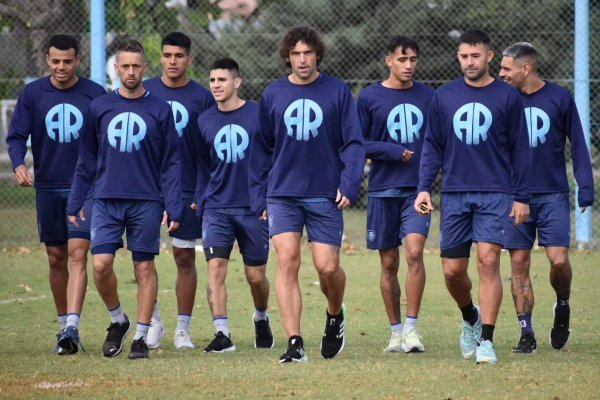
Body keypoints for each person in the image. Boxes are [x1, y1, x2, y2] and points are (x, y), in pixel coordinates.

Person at [248, 26, 365, 363]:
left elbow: (354, 143)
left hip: (325, 194)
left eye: (308, 53)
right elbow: (261, 150)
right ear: (288, 55)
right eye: (296, 53)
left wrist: (349, 182)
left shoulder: (338, 91)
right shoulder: (273, 94)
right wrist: (259, 197)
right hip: (283, 193)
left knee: (327, 268)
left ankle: (334, 314)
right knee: (286, 260)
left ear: (317, 55)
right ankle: (295, 342)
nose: (302, 59)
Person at [415, 29, 530, 365]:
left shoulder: (507, 97)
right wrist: (424, 186)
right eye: (464, 56)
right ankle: (470, 317)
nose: (469, 62)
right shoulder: (444, 96)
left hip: (496, 192)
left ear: (489, 57)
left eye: (475, 56)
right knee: (452, 271)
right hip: (454, 193)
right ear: (458, 57)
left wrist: (521, 196)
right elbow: (432, 146)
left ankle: (487, 342)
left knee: (489, 261)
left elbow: (520, 150)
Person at [67, 39, 182, 360]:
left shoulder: (160, 110)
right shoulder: (100, 107)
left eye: (136, 66)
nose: (130, 72)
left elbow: (170, 162)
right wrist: (76, 200)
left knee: (144, 267)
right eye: (125, 66)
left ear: (145, 68)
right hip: (105, 199)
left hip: (146, 201)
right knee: (101, 265)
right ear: (116, 69)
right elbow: (86, 159)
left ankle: (142, 337)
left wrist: (173, 205)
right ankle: (118, 320)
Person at [6, 34, 106, 355]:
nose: (61, 67)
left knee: (78, 254)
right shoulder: (33, 93)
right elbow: (17, 135)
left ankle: (72, 329)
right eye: (55, 61)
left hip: (85, 188)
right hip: (48, 187)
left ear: (78, 61)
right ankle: (63, 325)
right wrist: (19, 164)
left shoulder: (94, 94)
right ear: (47, 61)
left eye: (68, 61)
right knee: (56, 257)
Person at [498, 42, 595, 353]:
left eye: (506, 69)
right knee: (519, 264)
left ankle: (562, 303)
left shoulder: (559, 98)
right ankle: (526, 334)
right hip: (514, 196)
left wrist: (586, 186)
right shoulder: (502, 99)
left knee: (558, 261)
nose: (500, 74)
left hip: (552, 193)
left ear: (526, 69)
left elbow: (578, 144)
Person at [357, 36, 434, 353]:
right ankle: (395, 331)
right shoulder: (369, 97)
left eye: (413, 60)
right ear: (389, 60)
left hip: (417, 192)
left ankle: (413, 329)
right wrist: (389, 150)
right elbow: (355, 142)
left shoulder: (430, 96)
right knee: (388, 263)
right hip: (381, 192)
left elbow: (438, 141)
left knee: (415, 253)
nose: (408, 65)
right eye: (402, 60)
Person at [143, 31, 215, 350]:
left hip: (186, 187)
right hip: (145, 186)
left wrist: (202, 190)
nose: (173, 61)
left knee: (184, 256)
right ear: (161, 57)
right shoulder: (144, 92)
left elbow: (208, 149)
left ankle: (182, 329)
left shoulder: (202, 97)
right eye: (168, 55)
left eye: (179, 56)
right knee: (143, 259)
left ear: (189, 59)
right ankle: (153, 320)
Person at [197, 57, 273, 353]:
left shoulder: (257, 115)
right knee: (215, 268)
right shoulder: (204, 120)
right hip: (216, 207)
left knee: (256, 277)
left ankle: (261, 316)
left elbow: (272, 157)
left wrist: (267, 197)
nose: (216, 85)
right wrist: (200, 199)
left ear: (237, 82)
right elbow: (201, 165)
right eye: (212, 80)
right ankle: (222, 333)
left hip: (253, 208)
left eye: (222, 80)